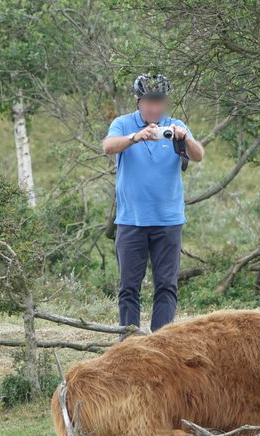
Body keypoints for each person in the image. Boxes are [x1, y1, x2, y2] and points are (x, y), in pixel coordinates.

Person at [103, 74, 204, 334]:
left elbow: (198, 155)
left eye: (159, 102)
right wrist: (136, 137)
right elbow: (108, 146)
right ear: (138, 102)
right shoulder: (123, 124)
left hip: (168, 221)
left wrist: (184, 138)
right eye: (148, 102)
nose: (153, 108)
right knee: (128, 287)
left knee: (166, 286)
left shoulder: (175, 124)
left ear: (165, 103)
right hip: (130, 220)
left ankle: (162, 344)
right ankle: (129, 345)